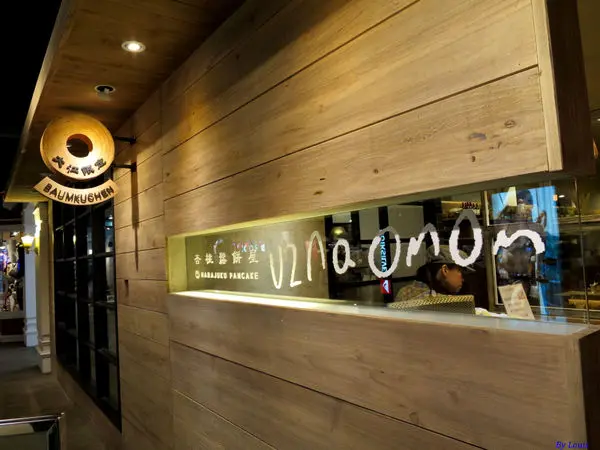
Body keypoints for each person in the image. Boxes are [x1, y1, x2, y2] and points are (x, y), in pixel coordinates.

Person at [392, 245, 475, 303]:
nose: (463, 279)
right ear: (445, 270)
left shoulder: (403, 292)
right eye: (461, 271)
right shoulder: (446, 303)